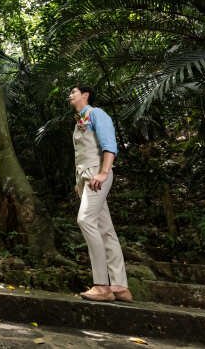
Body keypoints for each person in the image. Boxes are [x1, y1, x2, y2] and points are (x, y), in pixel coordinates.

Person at [68, 85, 132, 302]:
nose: (70, 95)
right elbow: (82, 154)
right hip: (86, 178)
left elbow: (109, 146)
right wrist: (79, 182)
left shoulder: (97, 114)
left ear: (85, 95)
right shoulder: (79, 120)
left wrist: (104, 172)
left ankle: (102, 285)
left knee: (85, 220)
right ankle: (120, 286)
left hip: (97, 176)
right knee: (105, 229)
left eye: (73, 92)